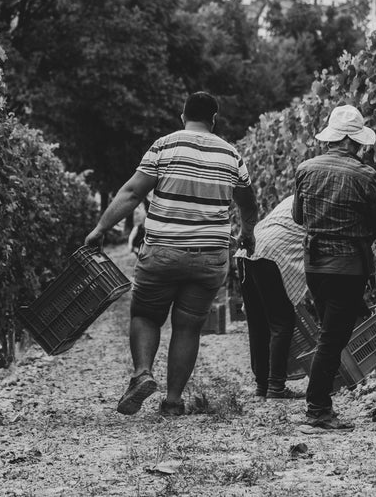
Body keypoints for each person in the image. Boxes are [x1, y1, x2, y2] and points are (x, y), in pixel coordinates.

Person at [85, 92, 258, 416]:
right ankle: (174, 401)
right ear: (214, 120)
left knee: (146, 315)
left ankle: (142, 374)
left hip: (163, 250)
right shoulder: (231, 155)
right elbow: (248, 203)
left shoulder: (165, 146)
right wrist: (247, 232)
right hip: (209, 256)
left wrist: (100, 229)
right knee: (188, 325)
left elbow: (133, 192)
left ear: (183, 115)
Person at [292, 104, 376, 432]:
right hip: (347, 267)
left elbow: (298, 217)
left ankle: (321, 404)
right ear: (354, 141)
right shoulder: (365, 176)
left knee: (328, 333)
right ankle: (318, 408)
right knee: (332, 339)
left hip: (314, 265)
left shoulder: (305, 169)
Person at [234, 195, 307, 399]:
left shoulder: (294, 197)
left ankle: (262, 386)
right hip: (270, 253)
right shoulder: (320, 202)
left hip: (248, 248)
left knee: (258, 321)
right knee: (281, 322)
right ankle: (276, 387)